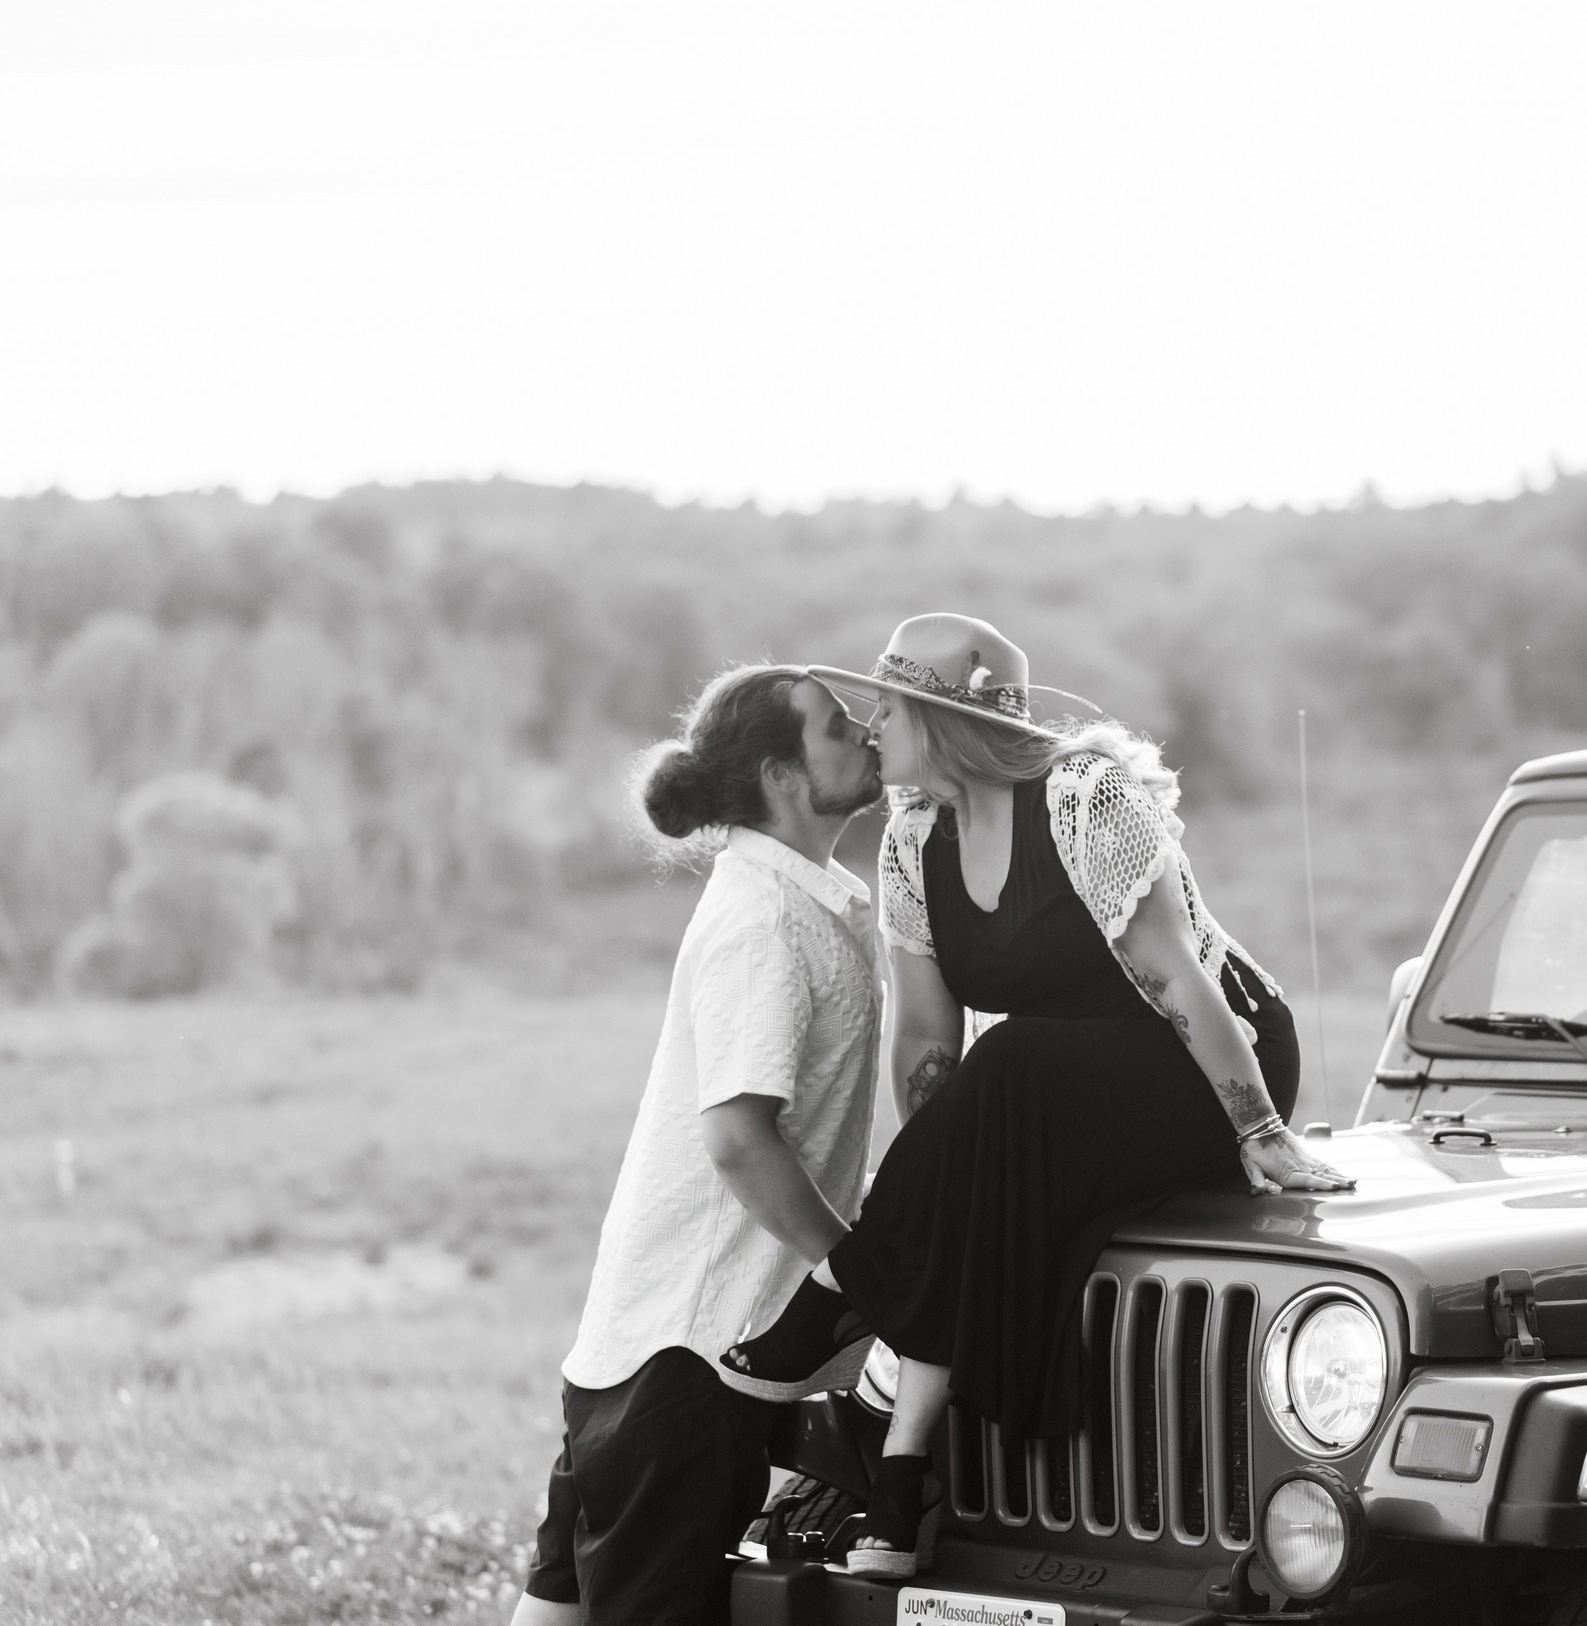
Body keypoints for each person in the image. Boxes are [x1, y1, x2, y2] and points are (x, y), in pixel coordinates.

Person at [720, 613, 1352, 1580]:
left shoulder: (1083, 802)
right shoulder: (912, 839)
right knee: (994, 1115)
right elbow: (927, 1034)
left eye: (888, 708)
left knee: (1010, 1057)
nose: (872, 726)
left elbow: (1181, 979)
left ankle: (843, 1286)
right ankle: (898, 1496)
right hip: (1051, 1089)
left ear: (943, 718)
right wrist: (944, 1187)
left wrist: (1258, 1128)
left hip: (1200, 1064)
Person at [510, 665, 885, 1626]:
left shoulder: (802, 898)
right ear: (783, 774)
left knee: (559, 1608)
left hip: (646, 1340)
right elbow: (733, 1134)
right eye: (839, 728)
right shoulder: (763, 918)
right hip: (688, 1356)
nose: (868, 735)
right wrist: (850, 1269)